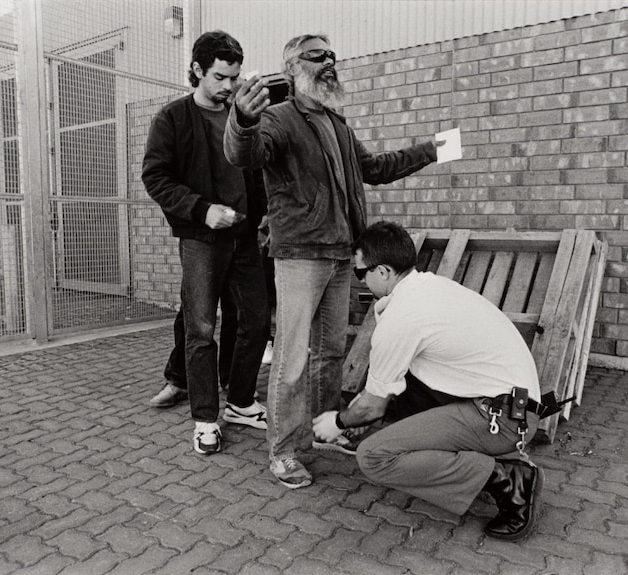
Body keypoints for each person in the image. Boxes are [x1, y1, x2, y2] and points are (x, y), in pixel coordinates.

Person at [224, 33, 440, 489]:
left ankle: (324, 430)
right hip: (302, 256)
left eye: (332, 55)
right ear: (291, 69)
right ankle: (283, 451)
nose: (329, 62)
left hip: (342, 255)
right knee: (292, 361)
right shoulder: (279, 119)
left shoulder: (337, 123)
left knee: (330, 353)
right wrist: (242, 119)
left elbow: (376, 168)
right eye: (316, 55)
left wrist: (432, 150)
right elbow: (246, 152)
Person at [312, 221, 544, 541]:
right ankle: (491, 462)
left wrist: (337, 422)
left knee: (374, 456)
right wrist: (371, 406)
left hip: (501, 420)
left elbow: (372, 407)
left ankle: (508, 478)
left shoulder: (402, 318)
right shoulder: (432, 289)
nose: (361, 281)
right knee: (405, 396)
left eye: (360, 273)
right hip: (511, 407)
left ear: (383, 271)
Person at [142, 30, 269, 455]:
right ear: (197, 70)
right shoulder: (172, 118)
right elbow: (155, 177)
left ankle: (240, 402)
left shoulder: (240, 114)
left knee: (255, 321)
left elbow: (259, 168)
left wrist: (264, 212)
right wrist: (202, 209)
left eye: (233, 77)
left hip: (246, 239)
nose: (228, 86)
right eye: (219, 77)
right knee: (200, 329)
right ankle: (205, 419)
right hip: (201, 240)